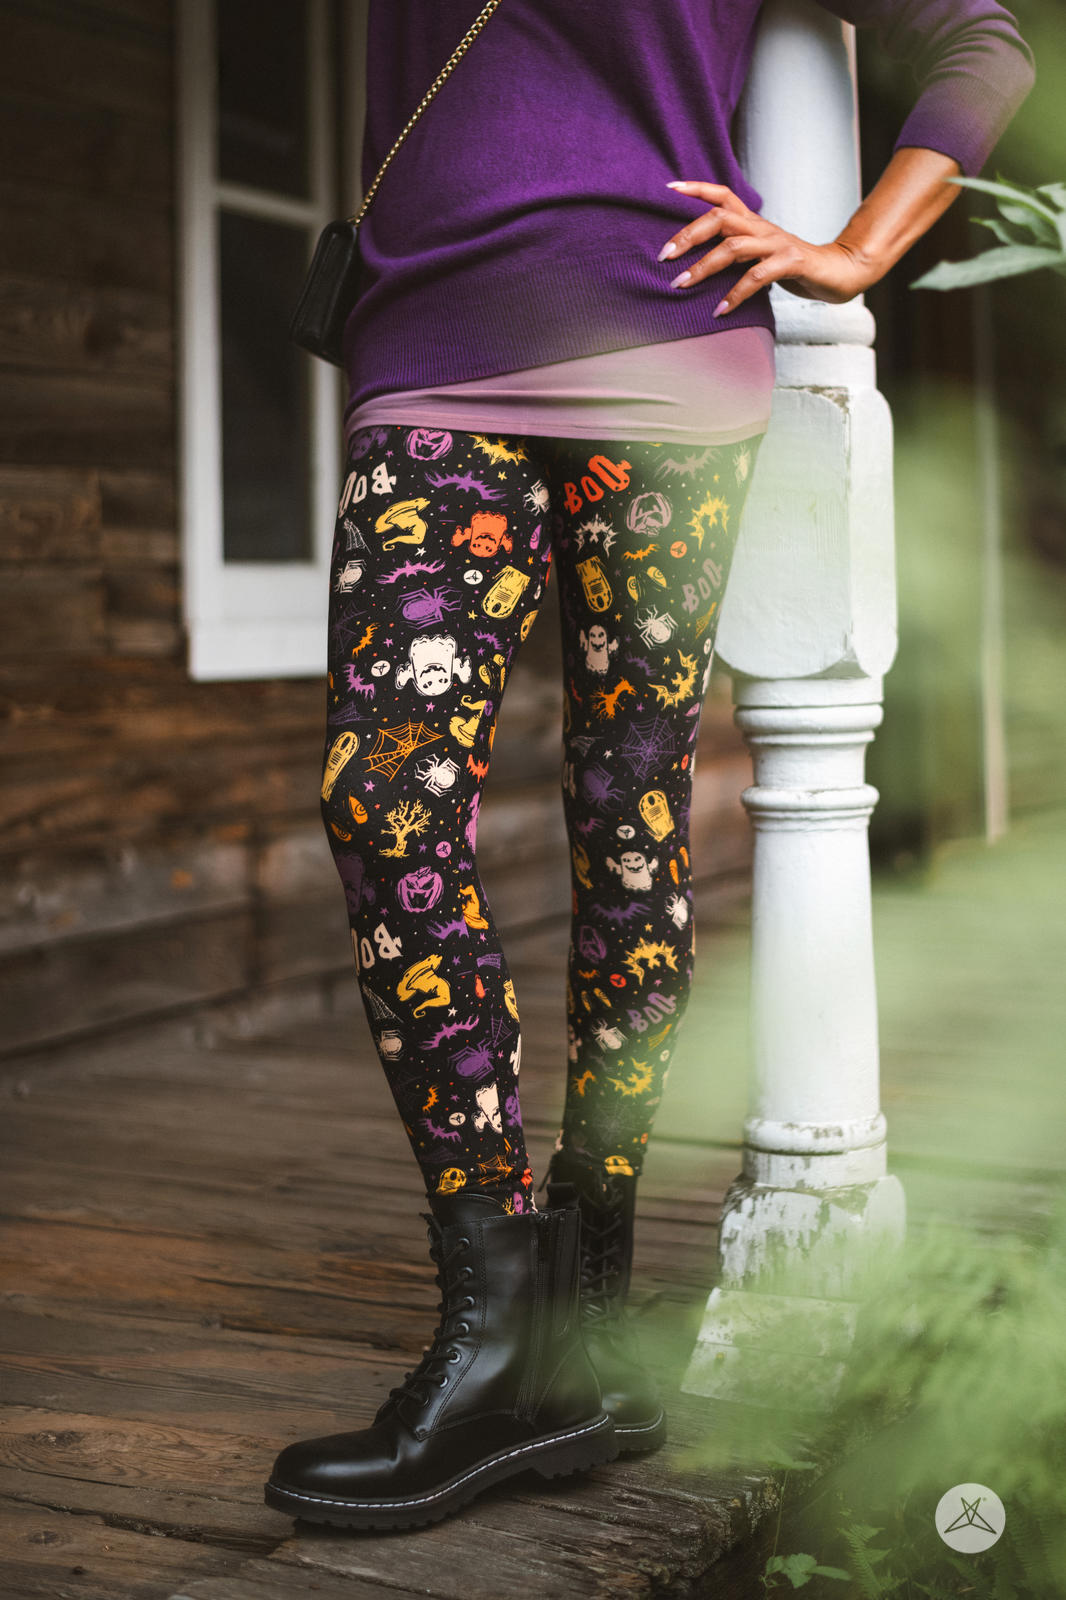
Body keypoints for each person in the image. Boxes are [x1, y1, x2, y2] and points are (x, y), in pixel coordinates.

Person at [265, 0, 1036, 1532]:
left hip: (665, 348)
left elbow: (981, 43)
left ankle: (585, 1331)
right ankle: (500, 1324)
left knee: (631, 822)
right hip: (430, 356)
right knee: (384, 797)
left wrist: (855, 249)